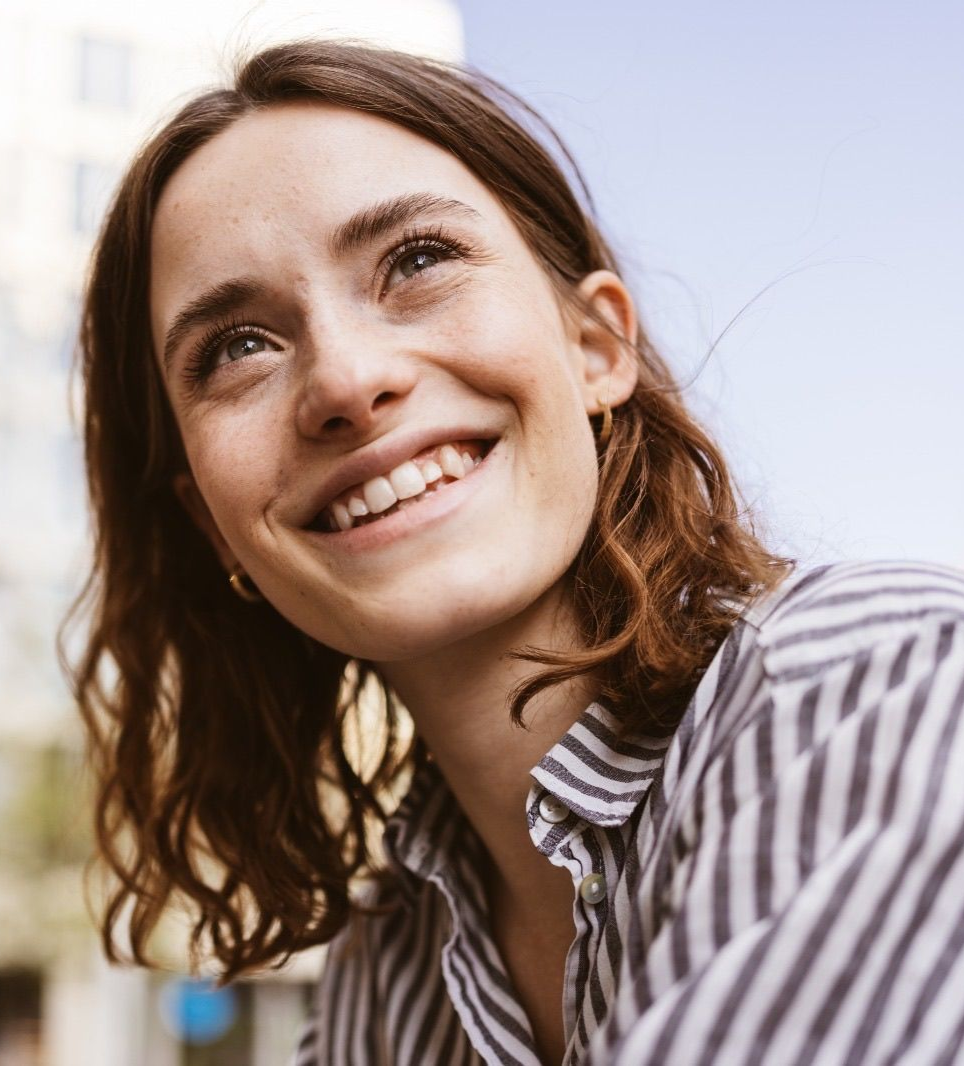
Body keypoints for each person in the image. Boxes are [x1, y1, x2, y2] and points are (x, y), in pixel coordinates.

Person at [68, 39, 964, 1066]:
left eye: (417, 261)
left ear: (595, 347)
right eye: (238, 346)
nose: (347, 381)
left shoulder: (880, 687)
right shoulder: (394, 962)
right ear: (210, 521)